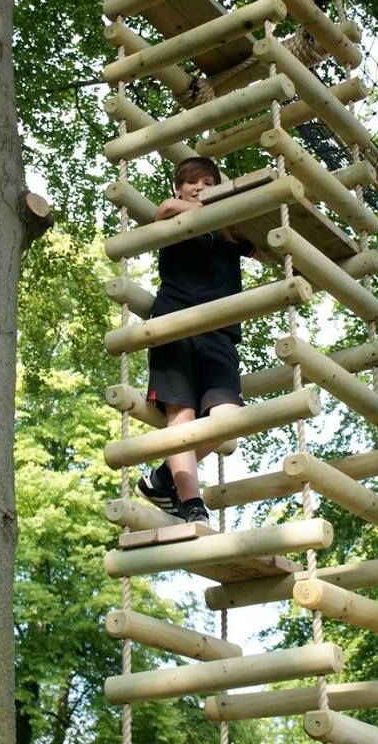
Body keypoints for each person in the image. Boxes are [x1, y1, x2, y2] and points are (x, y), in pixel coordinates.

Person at [136, 157, 256, 525]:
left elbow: (266, 249)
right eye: (192, 182)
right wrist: (213, 212)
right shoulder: (173, 214)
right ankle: (192, 504)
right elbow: (167, 208)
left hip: (220, 333)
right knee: (183, 415)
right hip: (176, 324)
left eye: (208, 181)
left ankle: (161, 478)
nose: (200, 187)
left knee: (229, 419)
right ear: (178, 186)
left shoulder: (228, 232)